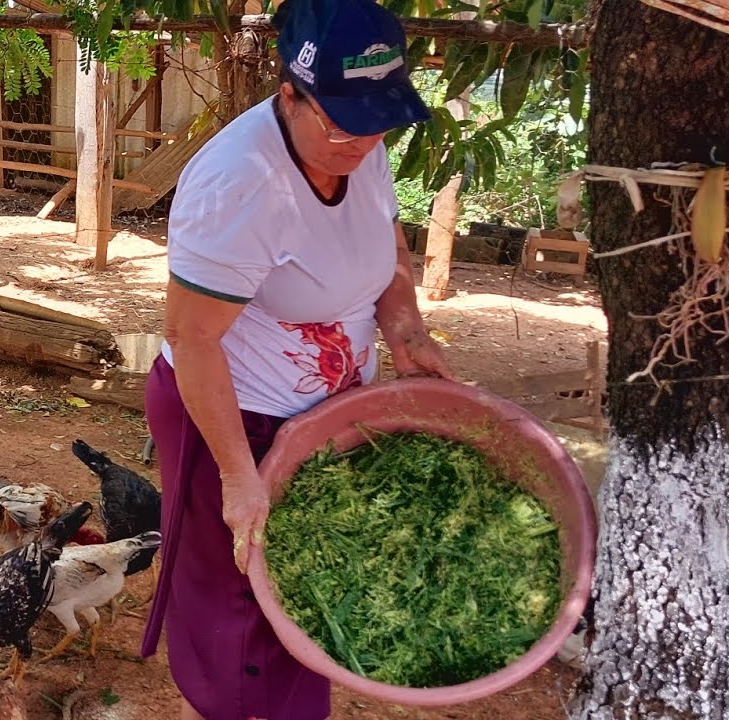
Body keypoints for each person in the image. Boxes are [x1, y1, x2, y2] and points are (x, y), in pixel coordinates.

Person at [138, 0, 456, 718]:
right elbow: (194, 340)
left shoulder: (361, 145)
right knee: (241, 603)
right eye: (344, 122)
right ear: (289, 93)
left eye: (379, 122)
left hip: (325, 416)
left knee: (308, 588)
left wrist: (405, 330)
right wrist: (239, 477)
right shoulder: (240, 184)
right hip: (232, 416)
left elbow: (388, 248)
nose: (363, 141)